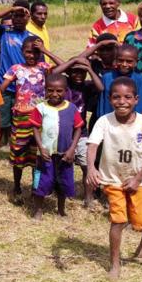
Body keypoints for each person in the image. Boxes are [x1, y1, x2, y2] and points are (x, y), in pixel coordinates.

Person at [86, 77, 142, 280]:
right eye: (116, 97)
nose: (122, 101)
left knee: (139, 220)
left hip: (138, 180)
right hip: (113, 179)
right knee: (118, 221)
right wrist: (91, 169)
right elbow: (93, 145)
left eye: (127, 97)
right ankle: (115, 264)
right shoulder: (104, 121)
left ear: (136, 99)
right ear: (110, 99)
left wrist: (138, 179)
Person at [0, 36, 62, 199]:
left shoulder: (44, 67)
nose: (32, 55)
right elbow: (2, 88)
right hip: (20, 119)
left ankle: (36, 187)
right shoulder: (15, 68)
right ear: (22, 52)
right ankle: (17, 186)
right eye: (28, 52)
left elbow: (63, 67)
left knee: (37, 155)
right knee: (18, 154)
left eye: (35, 52)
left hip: (41, 119)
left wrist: (45, 51)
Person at [29, 74, 84, 219]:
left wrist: (72, 148)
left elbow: (78, 128)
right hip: (45, 154)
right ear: (45, 90)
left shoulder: (71, 108)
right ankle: (38, 210)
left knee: (63, 182)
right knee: (41, 181)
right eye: (50, 90)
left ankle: (61, 210)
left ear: (66, 91)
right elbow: (35, 128)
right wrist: (41, 147)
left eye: (59, 91)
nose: (54, 94)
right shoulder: (40, 108)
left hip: (65, 154)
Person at [0, 0, 32, 146]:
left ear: (28, 17)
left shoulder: (31, 38)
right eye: (15, 15)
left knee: (19, 119)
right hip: (3, 85)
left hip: (23, 86)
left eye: (21, 15)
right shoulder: (4, 32)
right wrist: (10, 9)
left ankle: (14, 144)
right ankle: (1, 143)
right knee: (2, 118)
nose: (18, 19)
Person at [59, 58, 103, 208]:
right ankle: (62, 194)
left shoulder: (87, 86)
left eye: (82, 72)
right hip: (63, 133)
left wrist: (90, 70)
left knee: (86, 167)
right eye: (74, 71)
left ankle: (88, 197)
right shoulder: (63, 84)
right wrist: (72, 63)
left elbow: (101, 88)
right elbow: (54, 73)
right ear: (68, 72)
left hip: (82, 133)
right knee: (62, 165)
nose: (78, 75)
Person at [93, 44, 142, 119]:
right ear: (115, 60)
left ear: (136, 62)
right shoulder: (107, 77)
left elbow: (141, 105)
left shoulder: (140, 80)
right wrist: (103, 121)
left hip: (131, 123)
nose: (124, 64)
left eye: (129, 61)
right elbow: (103, 103)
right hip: (109, 122)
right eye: (120, 60)